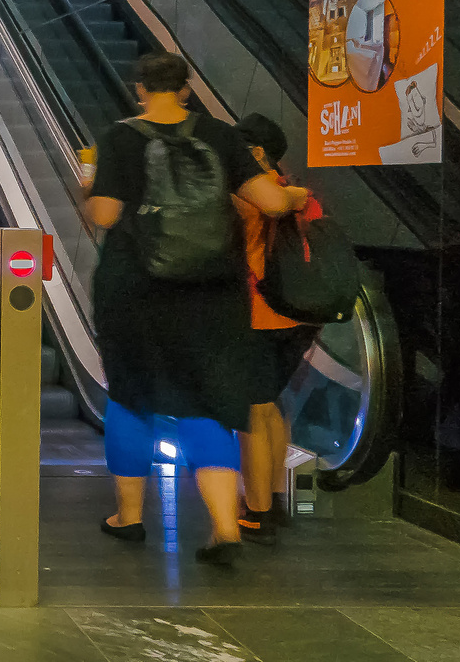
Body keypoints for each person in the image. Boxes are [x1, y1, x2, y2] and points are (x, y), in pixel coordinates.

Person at [85, 53, 303, 567]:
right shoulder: (223, 135)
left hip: (135, 289)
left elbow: (106, 214)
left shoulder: (120, 138)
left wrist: (87, 190)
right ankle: (226, 527)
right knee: (208, 402)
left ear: (140, 89)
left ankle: (129, 519)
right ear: (185, 90)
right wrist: (295, 198)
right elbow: (271, 203)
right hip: (211, 292)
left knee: (133, 395)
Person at [229, 113, 317, 545]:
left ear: (257, 152)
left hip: (259, 315)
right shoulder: (300, 193)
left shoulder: (247, 197)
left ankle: (257, 513)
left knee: (252, 412)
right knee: (272, 406)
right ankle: (277, 499)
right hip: (301, 316)